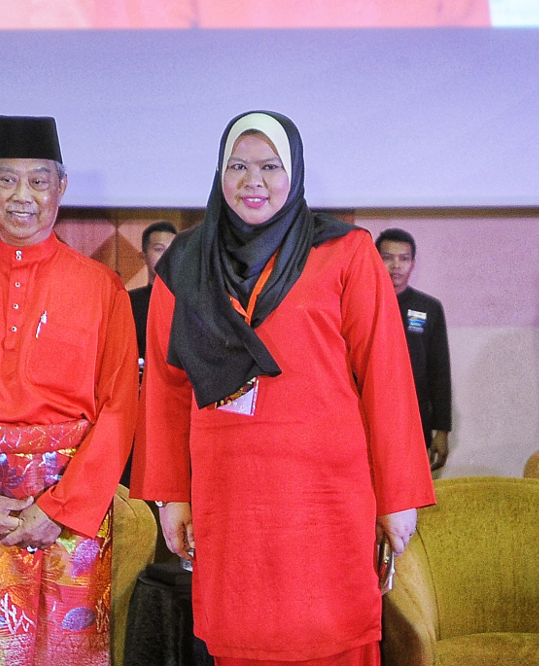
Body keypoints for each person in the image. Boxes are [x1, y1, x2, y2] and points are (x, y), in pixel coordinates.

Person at [132, 111, 436, 665]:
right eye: (238, 166)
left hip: (327, 494)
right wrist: (172, 494)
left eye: (271, 166)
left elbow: (385, 375)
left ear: (294, 172)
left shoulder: (345, 251)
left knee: (335, 633)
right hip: (230, 497)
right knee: (240, 636)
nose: (254, 181)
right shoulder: (185, 262)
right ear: (220, 173)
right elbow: (167, 388)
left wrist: (397, 498)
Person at [0, 115, 139, 665]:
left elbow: (120, 407)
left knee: (72, 651)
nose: (23, 196)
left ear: (60, 187)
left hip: (73, 503)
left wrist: (63, 507)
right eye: (7, 180)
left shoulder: (102, 287)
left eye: (38, 181)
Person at [376, 228, 451, 471]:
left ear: (413, 263)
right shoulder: (358, 302)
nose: (396, 265)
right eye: (388, 257)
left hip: (414, 419)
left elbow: (440, 372)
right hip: (367, 417)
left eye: (404, 258)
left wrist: (442, 430)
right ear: (375, 260)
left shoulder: (429, 307)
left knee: (409, 487)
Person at [129, 220, 177, 363]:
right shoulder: (129, 302)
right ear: (143, 257)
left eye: (172, 249)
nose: (167, 256)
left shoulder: (192, 302)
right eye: (159, 249)